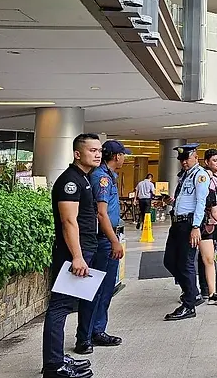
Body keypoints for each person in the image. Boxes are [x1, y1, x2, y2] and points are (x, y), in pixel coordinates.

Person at [41, 134, 100, 378]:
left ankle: (56, 359)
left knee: (65, 306)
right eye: (92, 150)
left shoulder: (83, 179)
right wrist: (77, 256)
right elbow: (68, 221)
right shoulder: (71, 182)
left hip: (83, 249)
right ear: (77, 153)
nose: (97, 154)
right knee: (60, 307)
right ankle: (54, 367)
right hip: (73, 252)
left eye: (99, 150)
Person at [74, 140, 130, 355]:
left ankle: (97, 330)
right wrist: (114, 240)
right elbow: (101, 213)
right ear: (116, 156)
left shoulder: (107, 176)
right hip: (103, 240)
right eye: (123, 154)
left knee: (106, 289)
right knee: (95, 290)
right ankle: (85, 337)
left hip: (108, 237)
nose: (124, 158)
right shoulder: (101, 178)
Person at [162, 143, 210, 321]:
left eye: (186, 158)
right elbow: (185, 201)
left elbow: (200, 203)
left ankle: (189, 304)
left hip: (189, 224)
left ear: (195, 157)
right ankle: (192, 292)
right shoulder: (184, 176)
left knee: (186, 263)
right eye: (181, 159)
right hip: (177, 223)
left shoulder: (200, 176)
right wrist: (171, 202)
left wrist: (196, 227)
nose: (183, 162)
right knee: (169, 261)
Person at [198, 148, 217, 303]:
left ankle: (212, 291)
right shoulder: (205, 177)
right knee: (203, 259)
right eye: (214, 160)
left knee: (210, 258)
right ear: (206, 162)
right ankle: (199, 290)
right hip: (204, 223)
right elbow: (209, 204)